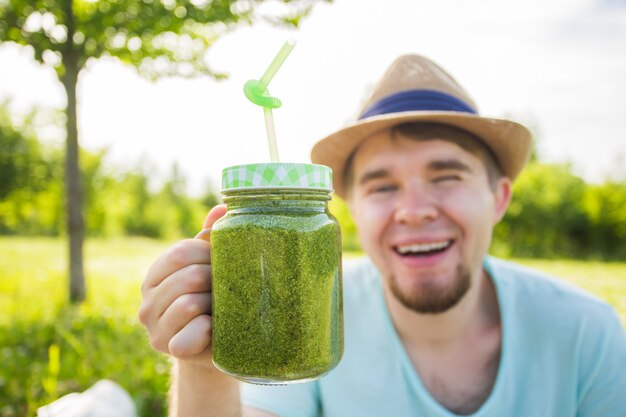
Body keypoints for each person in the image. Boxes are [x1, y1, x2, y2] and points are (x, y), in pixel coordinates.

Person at [138, 54, 626, 417]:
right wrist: (204, 368)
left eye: (446, 176)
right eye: (382, 185)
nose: (413, 211)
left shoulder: (589, 335)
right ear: (349, 208)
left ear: (499, 198)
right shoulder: (304, 312)